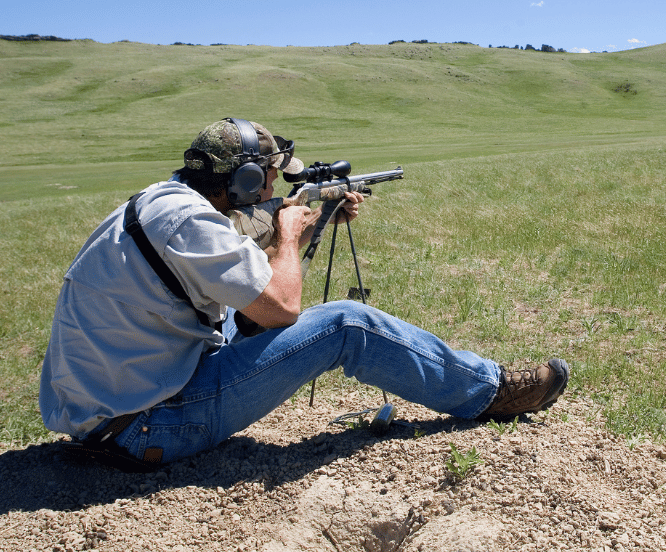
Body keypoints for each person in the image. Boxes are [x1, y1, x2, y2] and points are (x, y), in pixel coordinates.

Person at [39, 117, 570, 469]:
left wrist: (316, 217)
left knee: (242, 318)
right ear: (245, 181)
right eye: (268, 180)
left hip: (107, 415)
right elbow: (281, 308)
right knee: (347, 324)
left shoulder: (162, 203)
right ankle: (492, 390)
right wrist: (290, 232)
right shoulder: (194, 226)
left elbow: (245, 285)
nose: (271, 191)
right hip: (151, 426)